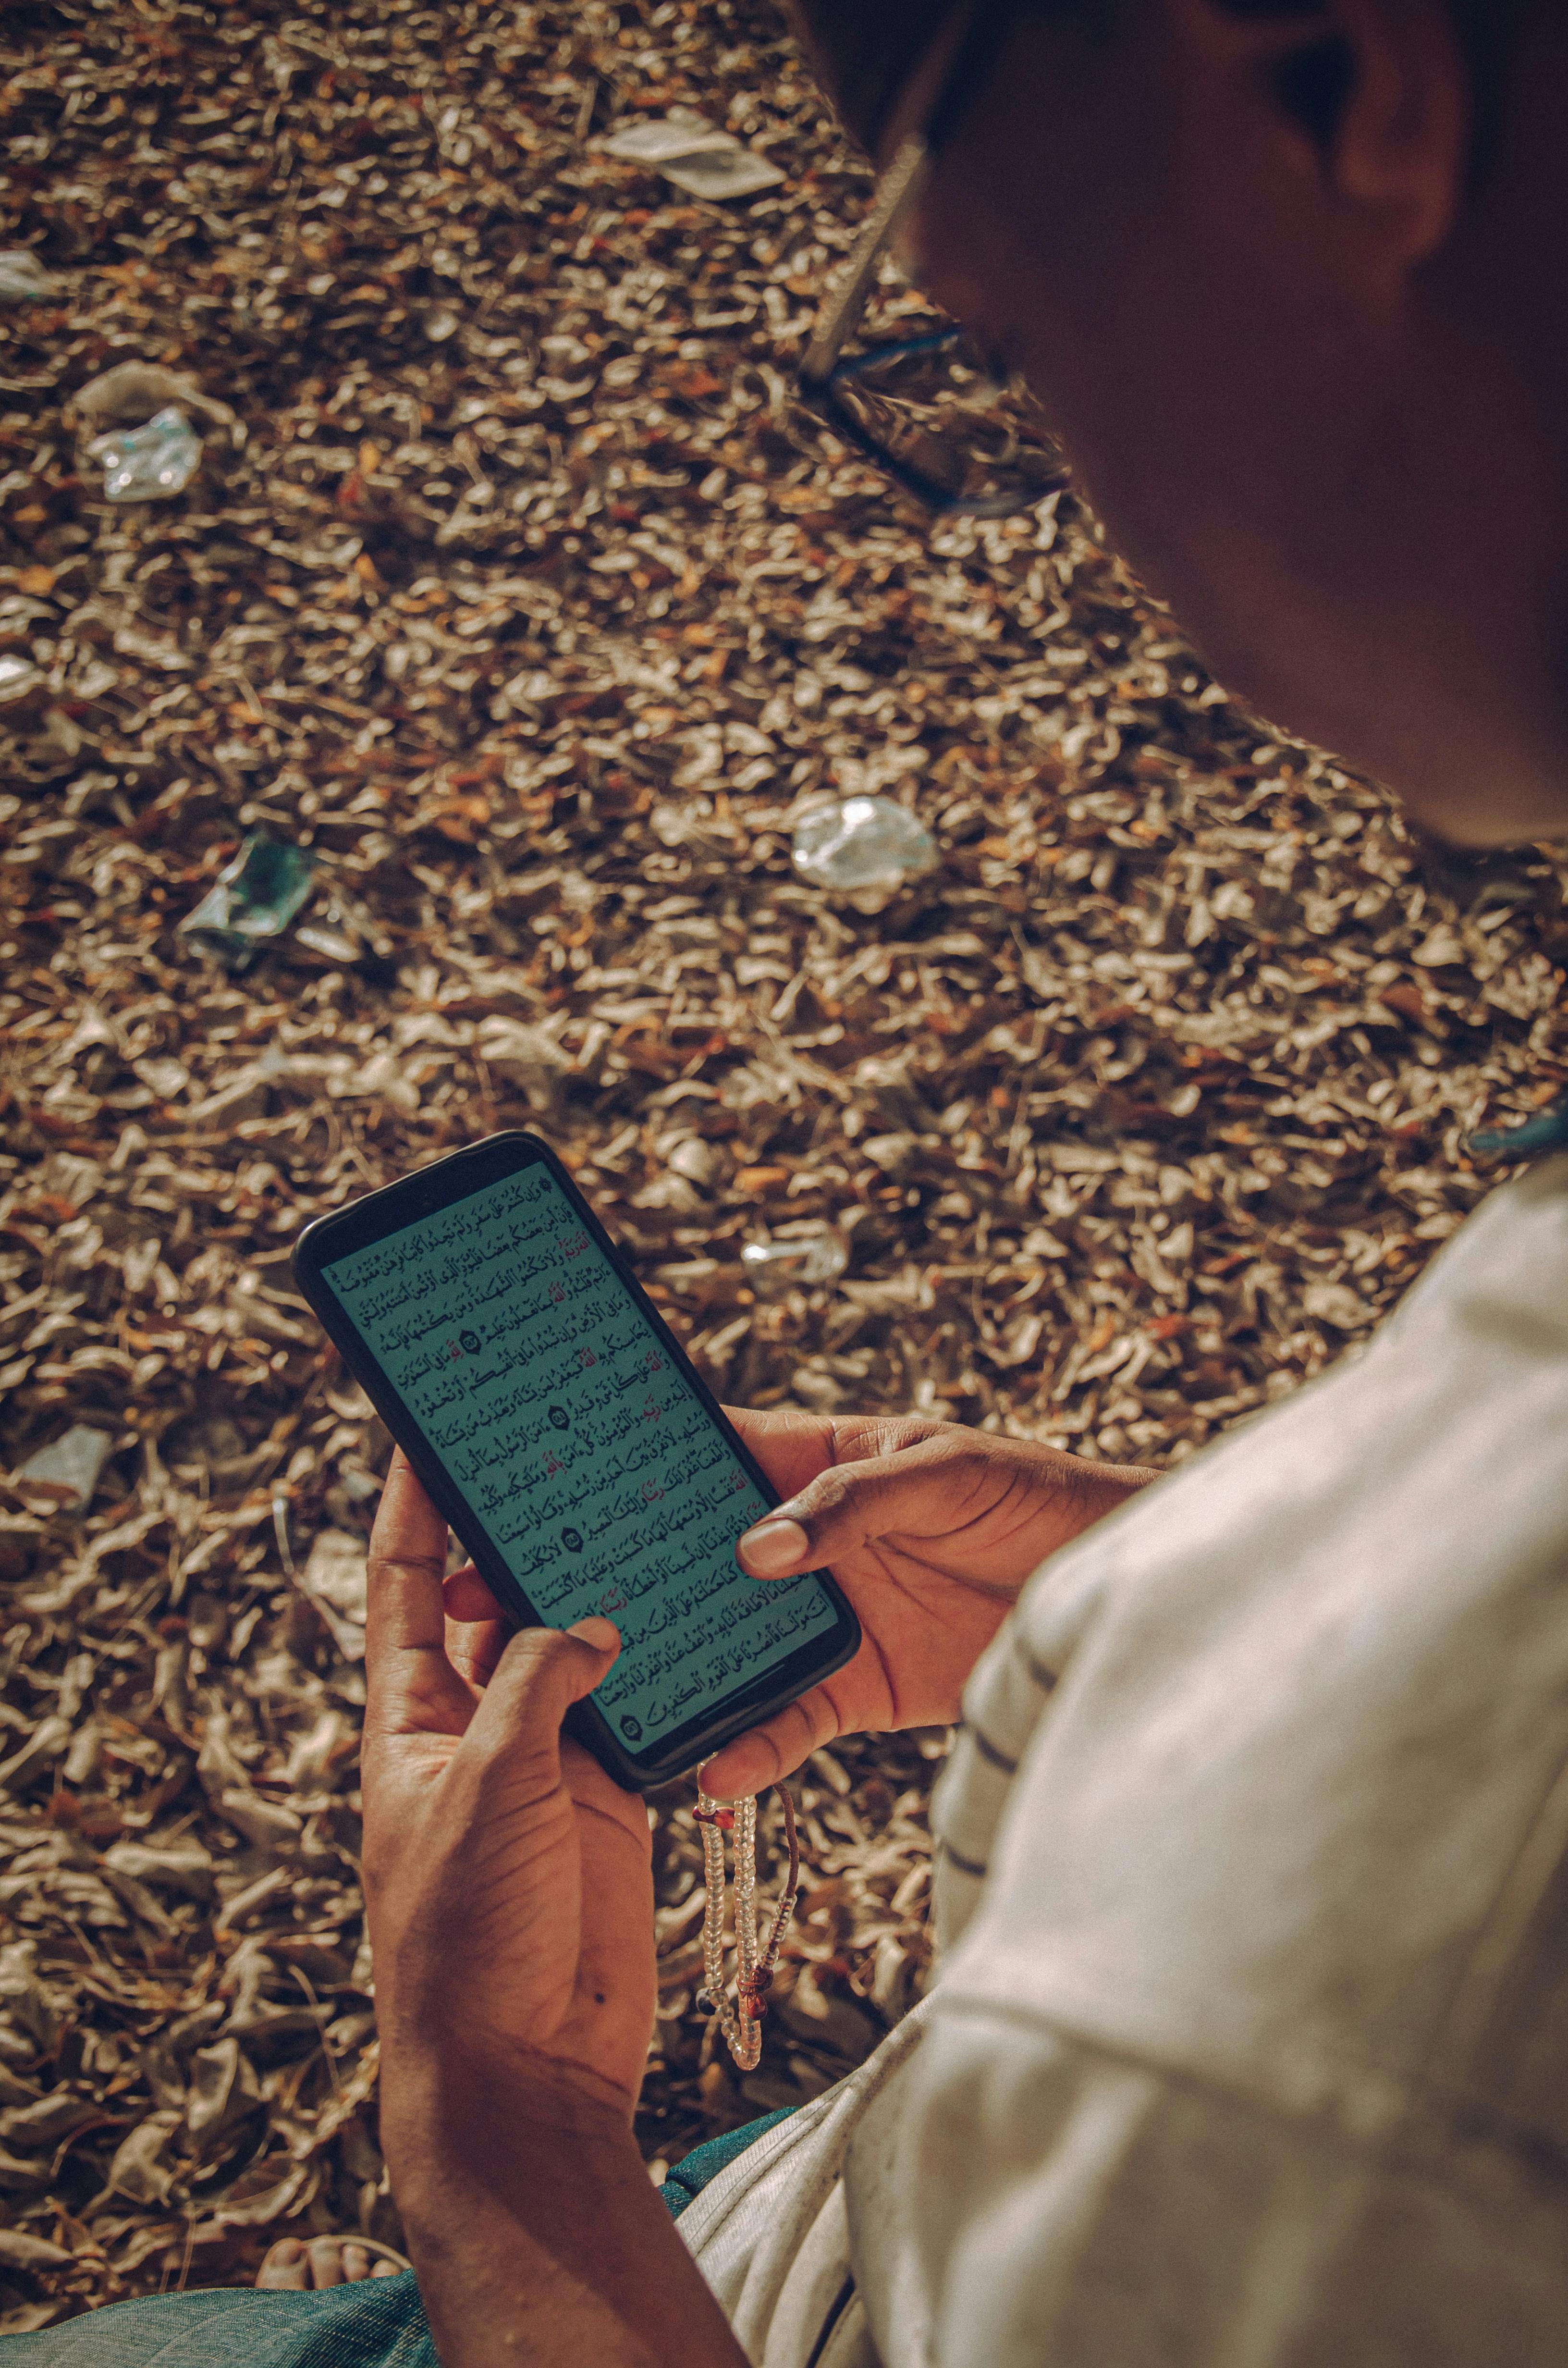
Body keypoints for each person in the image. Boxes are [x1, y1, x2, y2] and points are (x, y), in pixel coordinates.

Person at [15, 0, 1568, 2361]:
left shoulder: (1310, 2039)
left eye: (985, 335)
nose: (1034, 449)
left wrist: (503, 2117)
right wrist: (1157, 1591)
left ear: (1344, 85)